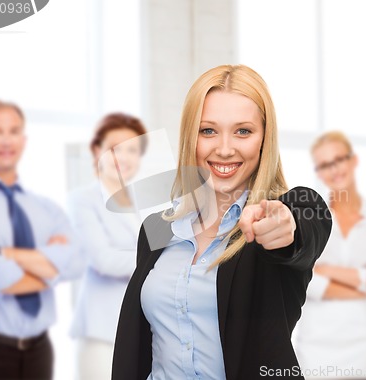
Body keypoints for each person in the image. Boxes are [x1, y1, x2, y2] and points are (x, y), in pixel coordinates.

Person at [111, 64, 333, 380]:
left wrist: (286, 225)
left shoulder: (279, 217)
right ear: (191, 137)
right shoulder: (157, 229)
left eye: (243, 131)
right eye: (208, 130)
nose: (225, 149)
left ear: (264, 139)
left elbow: (306, 220)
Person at [0, 99, 83, 380]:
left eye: (14, 130)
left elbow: (77, 262)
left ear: (24, 140)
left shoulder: (46, 208)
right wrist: (50, 268)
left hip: (39, 352)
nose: (6, 139)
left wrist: (7, 253)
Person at [292, 131, 366, 377]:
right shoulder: (308, 222)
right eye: (324, 165)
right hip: (316, 346)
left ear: (353, 160)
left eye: (339, 160)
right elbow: (305, 280)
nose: (334, 170)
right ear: (318, 172)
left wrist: (328, 271)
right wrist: (361, 284)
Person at [68, 113, 147, 380]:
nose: (122, 157)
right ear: (96, 151)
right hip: (103, 332)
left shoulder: (144, 201)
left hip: (143, 329)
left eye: (132, 150)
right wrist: (155, 258)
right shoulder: (83, 200)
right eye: (114, 148)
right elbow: (103, 259)